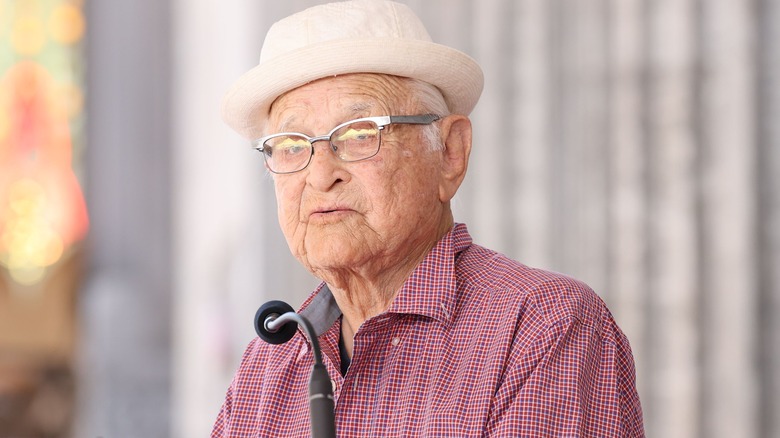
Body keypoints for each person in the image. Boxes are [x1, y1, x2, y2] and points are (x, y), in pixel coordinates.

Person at [212, 0, 644, 436]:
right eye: (290, 144)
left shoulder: (540, 326)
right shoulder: (267, 368)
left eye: (361, 133)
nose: (321, 175)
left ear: (450, 153)